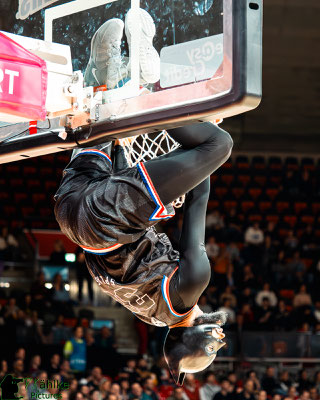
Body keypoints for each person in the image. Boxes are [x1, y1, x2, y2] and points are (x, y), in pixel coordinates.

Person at [54, 12, 233, 386]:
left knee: (219, 145)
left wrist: (205, 128)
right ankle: (104, 79)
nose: (221, 340)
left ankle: (147, 89)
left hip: (106, 218)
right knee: (109, 128)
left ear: (200, 336)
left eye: (214, 346)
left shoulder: (191, 285)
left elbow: (199, 195)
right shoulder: (149, 314)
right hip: (74, 216)